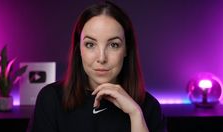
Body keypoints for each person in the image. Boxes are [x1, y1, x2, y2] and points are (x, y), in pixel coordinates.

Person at [28, 1, 166, 132]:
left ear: (126, 49)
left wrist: (136, 114)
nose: (101, 58)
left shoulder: (148, 107)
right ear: (79, 49)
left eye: (113, 45)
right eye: (90, 44)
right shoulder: (51, 99)